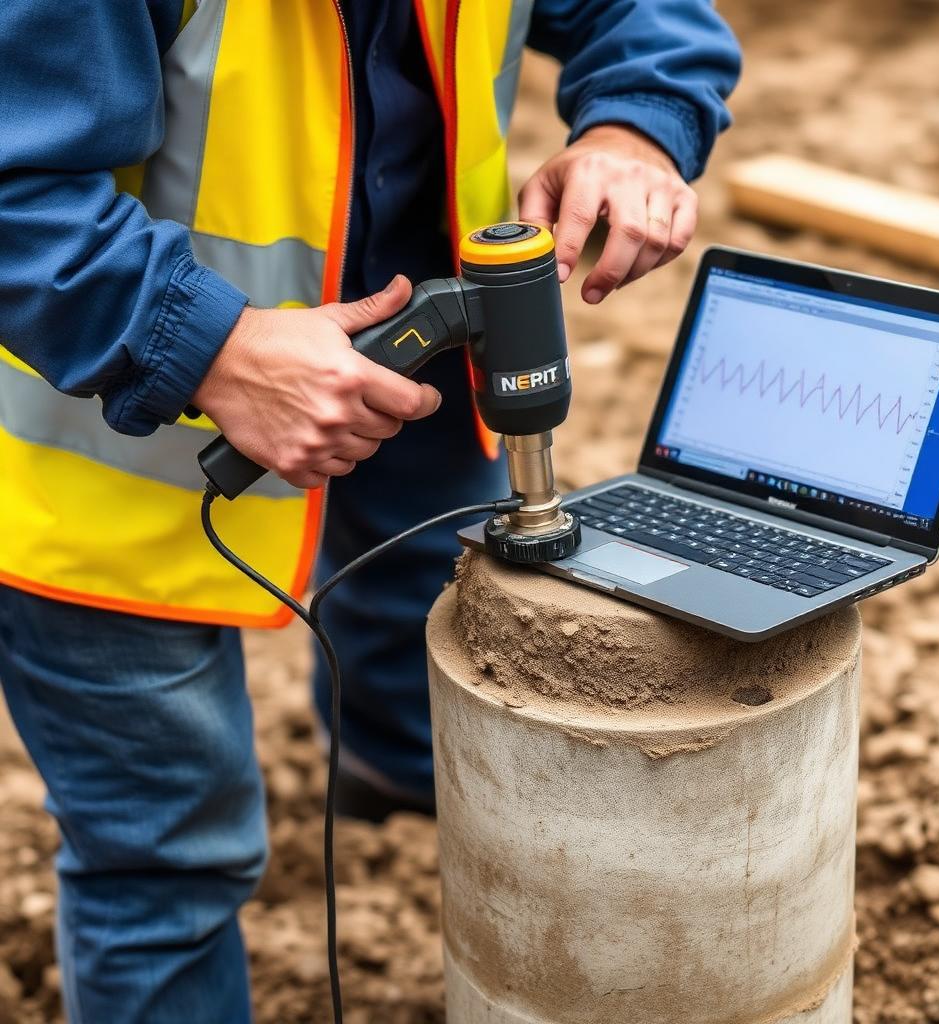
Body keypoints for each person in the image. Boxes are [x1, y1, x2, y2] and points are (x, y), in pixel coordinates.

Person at [0, 1, 740, 1020]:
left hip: (415, 371)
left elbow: (642, 13)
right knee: (164, 858)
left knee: (419, 666)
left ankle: (392, 795)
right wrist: (211, 346)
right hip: (88, 455)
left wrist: (634, 127)